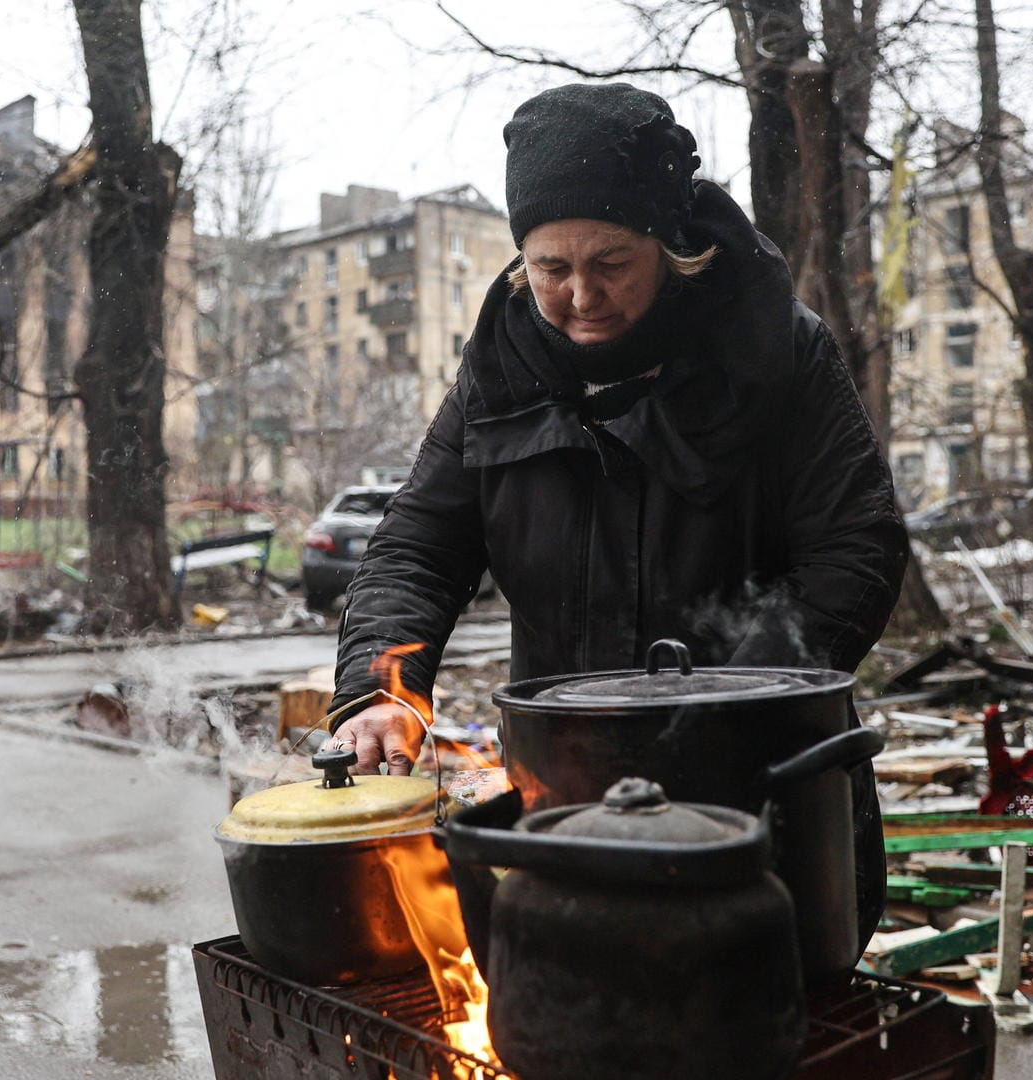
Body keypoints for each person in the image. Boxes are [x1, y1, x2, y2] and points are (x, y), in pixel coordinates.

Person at [326, 84, 908, 926]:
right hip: (561, 784)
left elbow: (858, 548)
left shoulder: (776, 349)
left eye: (610, 264)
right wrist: (383, 684)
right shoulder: (500, 369)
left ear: (671, 250)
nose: (579, 296)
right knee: (579, 1009)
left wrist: (720, 713)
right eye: (551, 269)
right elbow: (420, 542)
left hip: (760, 787)